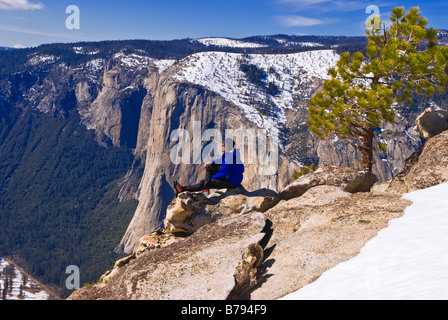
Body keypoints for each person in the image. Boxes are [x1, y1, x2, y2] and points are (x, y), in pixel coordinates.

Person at [173, 138, 244, 195]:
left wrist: (211, 180)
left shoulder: (230, 157)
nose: (221, 146)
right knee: (210, 166)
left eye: (223, 145)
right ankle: (206, 186)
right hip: (231, 176)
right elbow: (221, 161)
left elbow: (223, 173)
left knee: (205, 182)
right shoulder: (230, 154)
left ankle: (183, 189)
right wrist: (211, 162)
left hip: (232, 181)